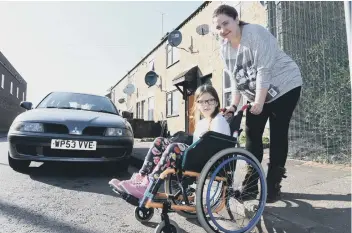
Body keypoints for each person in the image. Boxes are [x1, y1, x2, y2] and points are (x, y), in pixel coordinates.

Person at [213, 4, 303, 203]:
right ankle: (251, 187)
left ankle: (272, 186)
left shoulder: (255, 34)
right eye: (218, 27)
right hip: (259, 93)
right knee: (252, 135)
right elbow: (237, 79)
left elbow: (264, 70)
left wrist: (259, 103)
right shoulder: (225, 49)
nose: (222, 30)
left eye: (225, 23)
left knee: (278, 133)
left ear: (236, 19)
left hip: (285, 85)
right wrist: (233, 106)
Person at [109, 84, 231, 200]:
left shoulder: (219, 121)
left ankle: (149, 184)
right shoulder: (202, 123)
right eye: (201, 101)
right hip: (197, 157)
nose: (206, 105)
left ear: (216, 102)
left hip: (207, 162)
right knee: (159, 142)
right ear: (197, 104)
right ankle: (141, 177)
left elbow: (213, 149)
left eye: (210, 100)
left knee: (174, 148)